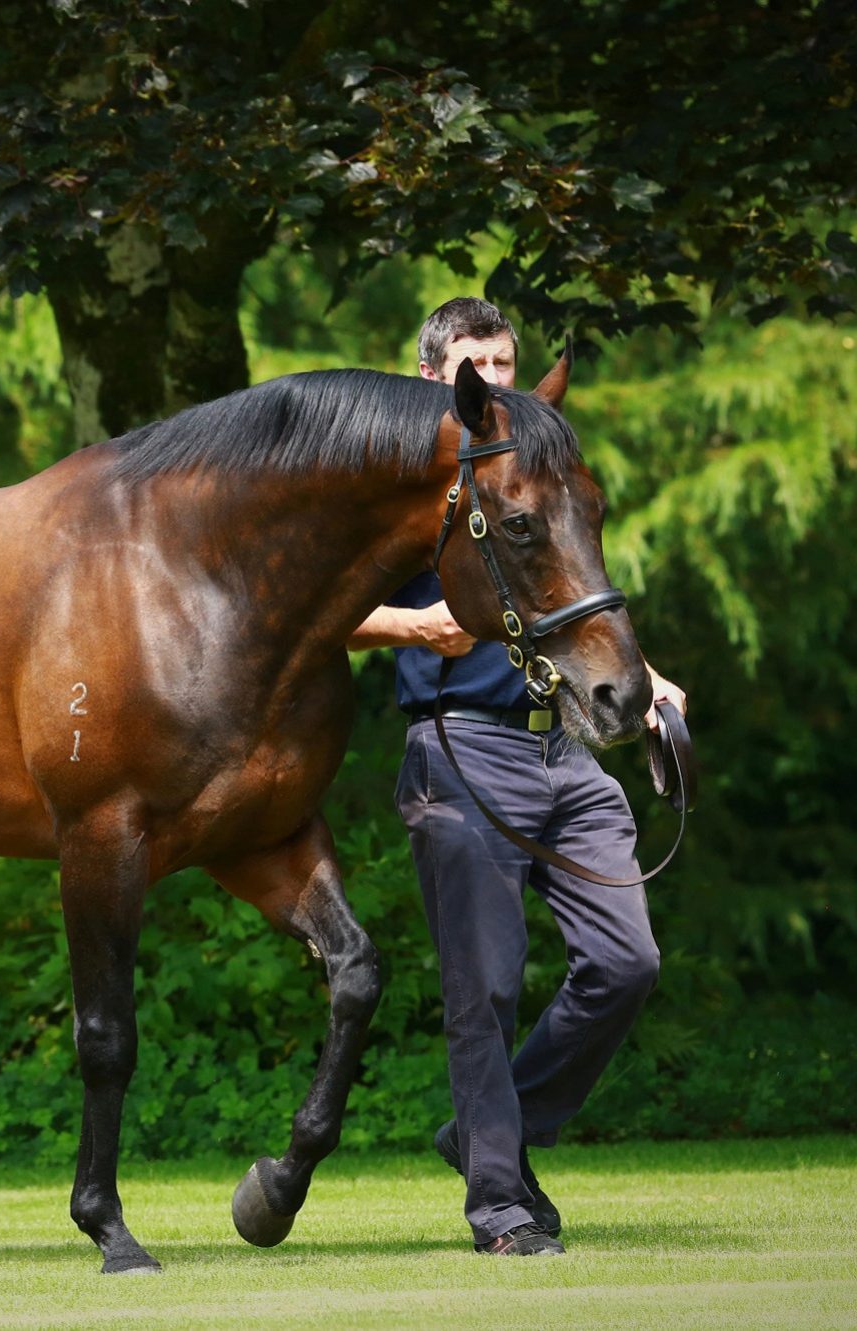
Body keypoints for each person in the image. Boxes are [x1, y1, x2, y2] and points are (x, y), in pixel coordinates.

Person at [348, 297, 687, 1257]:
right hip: (461, 751)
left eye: (506, 362)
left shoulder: (530, 477)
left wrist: (649, 683)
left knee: (628, 961)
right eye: (476, 365)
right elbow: (306, 619)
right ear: (435, 380)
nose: (496, 378)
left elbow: (571, 597)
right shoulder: (398, 492)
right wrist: (411, 625)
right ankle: (498, 1204)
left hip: (562, 749)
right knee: (484, 989)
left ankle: (486, 1134)